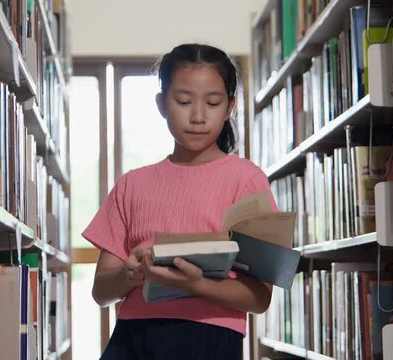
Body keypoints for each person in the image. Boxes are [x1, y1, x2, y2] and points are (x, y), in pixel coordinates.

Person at [82, 43, 276, 360]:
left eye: (212, 103)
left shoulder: (248, 181)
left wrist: (197, 284)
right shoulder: (132, 184)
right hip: (133, 337)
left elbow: (259, 297)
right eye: (183, 101)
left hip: (209, 340)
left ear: (230, 107)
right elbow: (101, 292)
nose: (198, 116)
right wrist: (128, 276)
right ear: (161, 104)